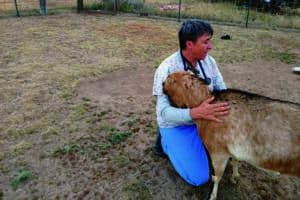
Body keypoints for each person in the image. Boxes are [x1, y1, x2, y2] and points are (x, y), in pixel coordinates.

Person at [152, 19, 230, 186]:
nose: (210, 46)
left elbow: (222, 90)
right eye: (206, 42)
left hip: (204, 120)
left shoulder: (209, 62)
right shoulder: (167, 68)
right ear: (189, 44)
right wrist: (195, 113)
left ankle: (196, 143)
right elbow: (164, 113)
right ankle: (164, 143)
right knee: (200, 177)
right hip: (176, 124)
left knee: (228, 156)